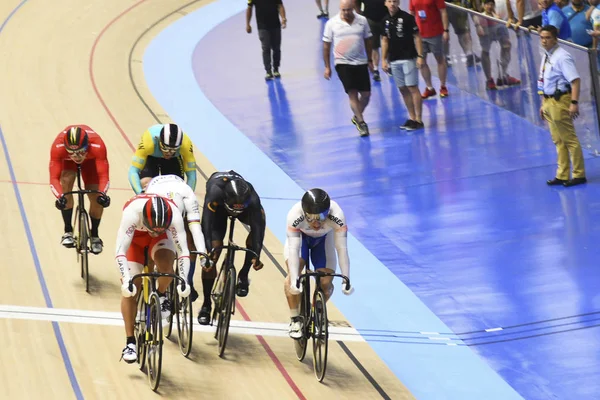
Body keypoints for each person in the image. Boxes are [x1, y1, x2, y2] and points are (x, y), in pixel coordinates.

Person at [116, 194, 192, 363]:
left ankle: (161, 295)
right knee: (131, 289)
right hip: (134, 241)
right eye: (153, 228)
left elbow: (183, 251)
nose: (155, 231)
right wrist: (127, 278)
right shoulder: (132, 213)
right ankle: (130, 343)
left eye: (160, 227)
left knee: (167, 270)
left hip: (162, 239)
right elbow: (120, 250)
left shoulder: (174, 215)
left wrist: (184, 280)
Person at [197, 171, 266, 325]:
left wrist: (256, 255)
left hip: (244, 209)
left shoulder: (252, 198)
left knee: (260, 219)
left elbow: (258, 230)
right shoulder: (215, 192)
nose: (235, 210)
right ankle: (206, 304)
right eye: (234, 208)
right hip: (220, 209)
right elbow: (206, 227)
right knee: (213, 253)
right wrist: (208, 254)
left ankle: (243, 274)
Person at [284, 188, 354, 339]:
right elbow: (294, 248)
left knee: (326, 282)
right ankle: (295, 319)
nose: (316, 222)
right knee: (292, 278)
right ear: (304, 213)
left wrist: (346, 279)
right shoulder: (294, 215)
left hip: (323, 240)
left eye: (322, 216)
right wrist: (295, 278)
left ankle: (318, 312)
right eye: (311, 217)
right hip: (300, 240)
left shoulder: (337, 215)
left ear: (328, 212)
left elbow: (341, 248)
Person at [145, 174, 209, 301]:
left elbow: (196, 228)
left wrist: (203, 254)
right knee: (153, 239)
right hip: (156, 190)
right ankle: (148, 278)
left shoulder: (188, 196)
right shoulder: (152, 194)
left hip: (178, 193)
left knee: (188, 239)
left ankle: (182, 281)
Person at [49, 125, 111, 254]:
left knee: (96, 196)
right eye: (71, 152)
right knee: (65, 183)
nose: (76, 156)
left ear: (87, 145)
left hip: (90, 161)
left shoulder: (97, 146)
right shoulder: (58, 147)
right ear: (65, 147)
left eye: (80, 151)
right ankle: (67, 231)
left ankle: (95, 235)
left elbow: (103, 176)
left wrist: (102, 195)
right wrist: (60, 197)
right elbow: (54, 178)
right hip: (68, 162)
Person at [538, 25, 586, 187]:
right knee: (558, 140)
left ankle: (579, 173)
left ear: (555, 39)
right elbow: (544, 80)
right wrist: (543, 103)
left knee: (569, 139)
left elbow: (575, 80)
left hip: (560, 101)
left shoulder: (562, 57)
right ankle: (562, 173)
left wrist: (574, 102)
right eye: (542, 38)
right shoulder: (546, 56)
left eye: (548, 38)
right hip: (549, 101)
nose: (544, 41)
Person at [323, 0, 374, 137]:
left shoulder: (362, 21)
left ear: (353, 8)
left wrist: (370, 60)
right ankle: (362, 123)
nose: (345, 13)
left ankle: (357, 116)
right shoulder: (332, 24)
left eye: (348, 10)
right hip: (343, 63)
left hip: (361, 61)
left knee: (366, 94)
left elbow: (368, 41)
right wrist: (327, 66)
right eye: (343, 10)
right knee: (352, 93)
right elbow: (326, 46)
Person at [381, 0, 425, 130]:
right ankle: (411, 118)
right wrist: (383, 59)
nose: (392, 4)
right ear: (385, 3)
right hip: (394, 59)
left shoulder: (407, 18)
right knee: (402, 89)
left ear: (398, 2)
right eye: (389, 1)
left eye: (394, 1)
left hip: (408, 58)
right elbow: (384, 40)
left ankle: (419, 119)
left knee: (412, 87)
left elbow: (417, 36)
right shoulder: (384, 21)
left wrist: (420, 56)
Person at [128, 123, 196, 194]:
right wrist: (140, 193)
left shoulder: (186, 145)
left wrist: (188, 195)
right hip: (151, 156)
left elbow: (191, 175)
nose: (169, 153)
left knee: (176, 189)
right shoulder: (149, 142)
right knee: (146, 185)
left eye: (173, 150)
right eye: (165, 149)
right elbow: (133, 171)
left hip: (173, 159)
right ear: (159, 140)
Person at [409, 0, 451, 98]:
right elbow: (412, 13)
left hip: (435, 33)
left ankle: (443, 86)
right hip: (420, 35)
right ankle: (429, 88)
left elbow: (443, 11)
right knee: (422, 61)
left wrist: (446, 30)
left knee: (440, 59)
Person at [246, 0, 287, 80]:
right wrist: (248, 24)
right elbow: (249, 8)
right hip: (262, 26)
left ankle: (276, 69)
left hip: (275, 25)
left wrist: (283, 18)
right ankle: (268, 71)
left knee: (276, 48)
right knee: (266, 47)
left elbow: (280, 5)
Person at [355, 0, 389, 81]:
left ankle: (389, 66)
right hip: (370, 19)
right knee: (374, 46)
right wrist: (359, 14)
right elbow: (356, 2)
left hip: (386, 18)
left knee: (388, 42)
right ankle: (376, 69)